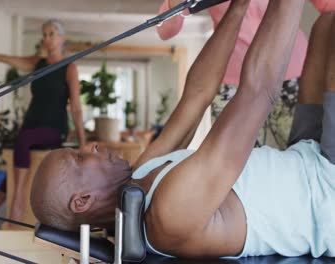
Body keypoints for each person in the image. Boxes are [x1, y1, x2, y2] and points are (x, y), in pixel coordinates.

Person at [31, 0, 335, 258]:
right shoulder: (168, 214)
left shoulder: (140, 177)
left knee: (325, 26)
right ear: (82, 200)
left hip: (304, 158)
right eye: (80, 158)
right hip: (325, 193)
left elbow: (197, 95)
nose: (90, 146)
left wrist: (238, 6)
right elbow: (257, 94)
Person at [157, 0, 335, 149]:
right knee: (231, 168)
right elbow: (166, 30)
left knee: (307, 152)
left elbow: (329, 7)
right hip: (232, 84)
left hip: (291, 73)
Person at [0, 19, 86, 224]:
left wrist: (83, 141)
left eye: (52, 34)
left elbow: (75, 106)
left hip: (54, 128)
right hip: (32, 123)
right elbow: (10, 59)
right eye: (45, 34)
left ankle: (18, 202)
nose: (47, 39)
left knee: (23, 139)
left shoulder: (69, 68)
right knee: (19, 152)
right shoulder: (36, 64)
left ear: (61, 38)